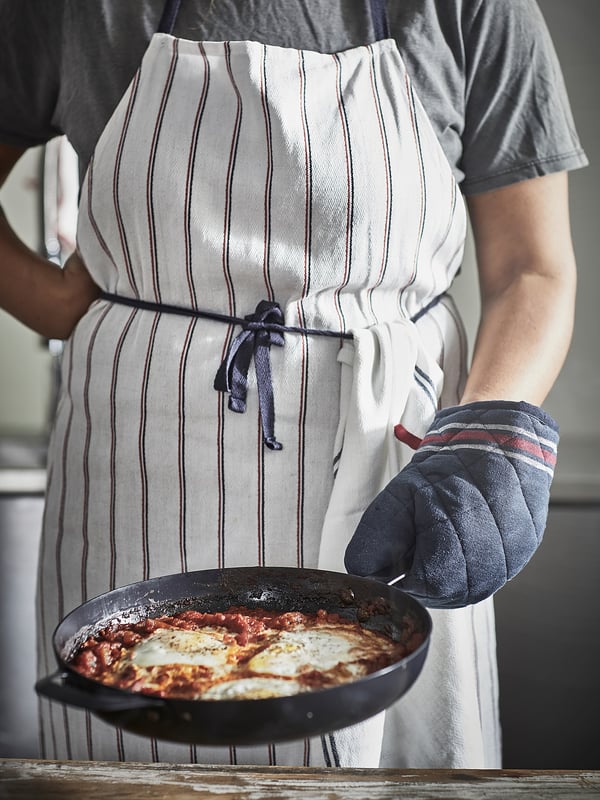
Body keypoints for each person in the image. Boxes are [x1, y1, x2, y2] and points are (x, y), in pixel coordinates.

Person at [0, 0, 586, 769]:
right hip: (139, 444)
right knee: (140, 759)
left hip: (392, 448)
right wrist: (49, 299)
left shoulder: (473, 9)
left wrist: (482, 439)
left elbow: (531, 268)